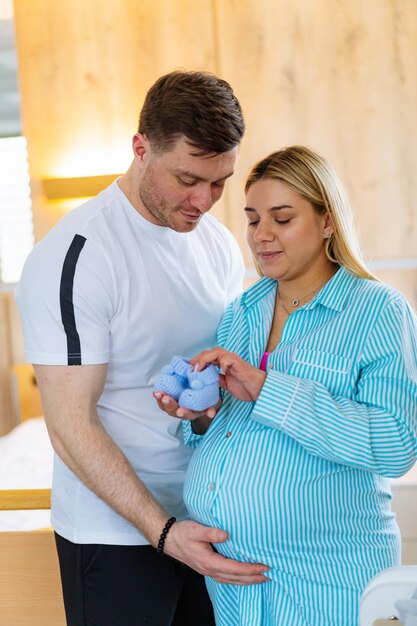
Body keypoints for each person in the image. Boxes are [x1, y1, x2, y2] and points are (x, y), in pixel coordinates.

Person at [16, 70, 269, 626]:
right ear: (140, 148)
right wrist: (163, 531)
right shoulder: (79, 256)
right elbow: (68, 426)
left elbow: (222, 388)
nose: (204, 200)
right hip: (117, 537)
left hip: (211, 520)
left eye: (219, 182)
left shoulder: (218, 245)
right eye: (186, 178)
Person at [155, 145, 417, 626]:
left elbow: (396, 445)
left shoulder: (378, 311)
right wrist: (199, 417)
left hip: (326, 579)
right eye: (253, 220)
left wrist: (267, 388)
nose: (262, 236)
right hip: (234, 583)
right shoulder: (240, 311)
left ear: (327, 221)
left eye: (282, 218)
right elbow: (233, 431)